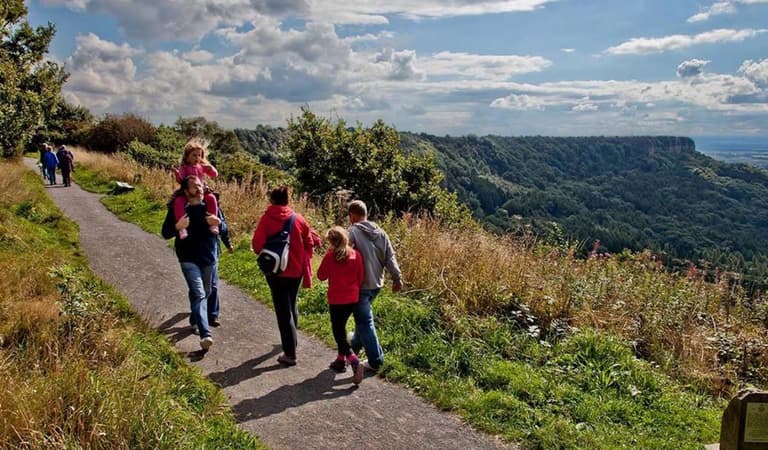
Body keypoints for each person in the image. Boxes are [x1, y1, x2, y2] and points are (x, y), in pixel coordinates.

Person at [252, 186, 314, 366]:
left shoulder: (266, 218)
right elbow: (309, 243)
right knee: (291, 303)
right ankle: (291, 341)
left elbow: (257, 245)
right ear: (287, 200)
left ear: (271, 200)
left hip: (275, 271)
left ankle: (290, 353)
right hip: (295, 270)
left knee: (282, 310)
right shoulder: (298, 219)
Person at [161, 175, 221, 351]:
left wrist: (218, 223)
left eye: (200, 185)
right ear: (186, 191)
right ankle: (205, 334)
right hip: (188, 258)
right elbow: (165, 232)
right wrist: (177, 227)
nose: (199, 189)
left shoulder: (211, 205)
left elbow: (223, 228)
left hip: (209, 257)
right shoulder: (178, 208)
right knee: (199, 292)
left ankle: (195, 319)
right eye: (195, 187)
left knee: (206, 291)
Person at [347, 200, 403, 372]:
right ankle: (355, 343)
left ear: (352, 216)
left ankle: (375, 360)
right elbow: (390, 257)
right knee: (362, 316)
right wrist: (397, 278)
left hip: (361, 284)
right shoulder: (381, 232)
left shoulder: (352, 232)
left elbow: (344, 255)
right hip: (377, 284)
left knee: (365, 321)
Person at [317, 226, 365, 385]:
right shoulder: (356, 255)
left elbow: (321, 276)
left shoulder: (331, 256)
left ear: (331, 241)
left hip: (337, 299)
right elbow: (361, 277)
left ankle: (354, 361)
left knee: (338, 332)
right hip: (352, 298)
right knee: (342, 328)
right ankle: (340, 360)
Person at [171, 138, 219, 239]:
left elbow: (214, 175)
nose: (197, 157)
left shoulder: (202, 166)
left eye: (199, 155)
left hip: (201, 191)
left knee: (212, 198)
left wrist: (211, 169)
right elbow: (181, 180)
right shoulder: (184, 167)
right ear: (187, 156)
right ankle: (182, 227)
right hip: (187, 192)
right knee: (179, 201)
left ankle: (213, 223)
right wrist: (177, 174)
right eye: (194, 155)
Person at [207, 198, 234, 328]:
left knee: (213, 285)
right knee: (200, 287)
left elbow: (223, 228)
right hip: (194, 254)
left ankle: (212, 315)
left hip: (212, 252)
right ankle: (197, 317)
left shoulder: (214, 204)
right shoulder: (187, 204)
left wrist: (228, 244)